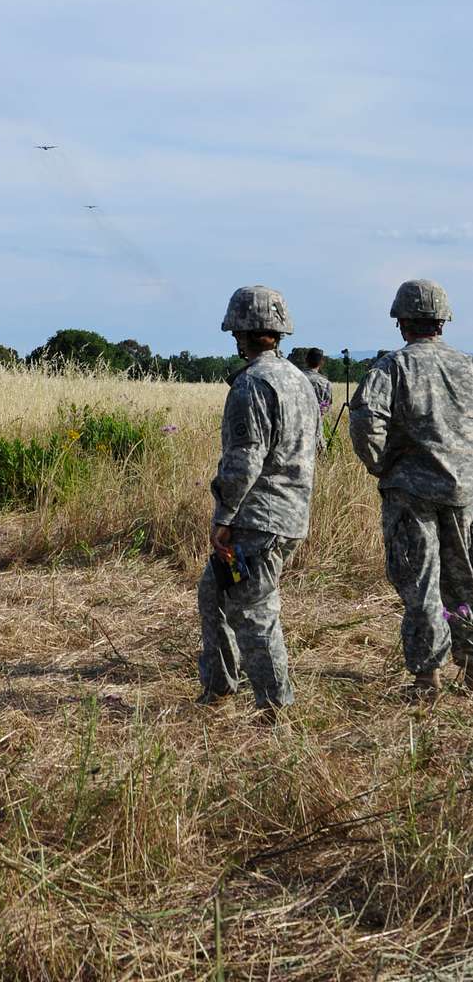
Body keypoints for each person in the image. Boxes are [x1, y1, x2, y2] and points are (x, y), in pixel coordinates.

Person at [197, 285, 321, 717]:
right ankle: (217, 686)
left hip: (258, 518)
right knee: (214, 590)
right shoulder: (300, 382)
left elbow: (244, 460)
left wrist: (224, 515)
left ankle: (275, 708)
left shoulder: (251, 384)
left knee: (253, 610)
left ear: (241, 332)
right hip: (288, 514)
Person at [349, 279, 473, 700]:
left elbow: (366, 420)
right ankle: (470, 665)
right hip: (463, 493)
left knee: (421, 583)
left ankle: (427, 678)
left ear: (402, 322)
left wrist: (380, 463)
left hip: (410, 492)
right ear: (442, 322)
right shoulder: (467, 366)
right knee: (466, 580)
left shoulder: (392, 367)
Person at [300, 348, 333, 415]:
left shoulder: (297, 377)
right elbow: (327, 407)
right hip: (317, 420)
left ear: (306, 360)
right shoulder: (326, 383)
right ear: (321, 362)